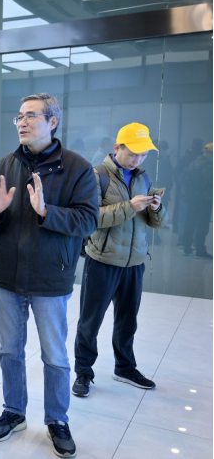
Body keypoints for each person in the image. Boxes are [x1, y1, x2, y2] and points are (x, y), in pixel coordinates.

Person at [0, 93, 98, 458]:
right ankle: (14, 411)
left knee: (55, 356)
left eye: (31, 115)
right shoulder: (6, 163)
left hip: (51, 278)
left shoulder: (78, 168)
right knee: (9, 351)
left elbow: (88, 221)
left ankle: (57, 419)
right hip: (8, 276)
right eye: (19, 116)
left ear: (53, 121)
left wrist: (47, 211)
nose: (22, 122)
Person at [73, 123, 168, 398]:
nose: (138, 160)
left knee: (128, 321)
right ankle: (83, 372)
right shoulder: (96, 176)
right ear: (117, 148)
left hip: (134, 262)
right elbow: (91, 218)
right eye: (133, 153)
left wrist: (156, 208)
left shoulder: (143, 178)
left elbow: (156, 223)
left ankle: (125, 368)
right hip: (102, 261)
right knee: (90, 322)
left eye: (144, 155)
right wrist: (130, 206)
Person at [180, 142, 213, 258]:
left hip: (191, 198)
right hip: (204, 200)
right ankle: (200, 251)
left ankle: (187, 248)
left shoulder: (193, 164)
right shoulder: (209, 167)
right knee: (202, 225)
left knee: (190, 223)